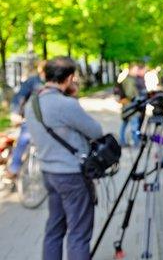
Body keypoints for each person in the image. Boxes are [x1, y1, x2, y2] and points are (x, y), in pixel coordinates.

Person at [24, 57, 103, 260]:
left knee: (54, 229)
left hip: (49, 173)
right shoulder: (66, 104)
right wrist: (73, 99)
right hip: (72, 175)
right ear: (69, 78)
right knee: (78, 233)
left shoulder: (32, 104)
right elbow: (96, 131)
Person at [6, 61, 45, 178]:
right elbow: (20, 97)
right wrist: (15, 113)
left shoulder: (52, 82)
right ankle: (14, 168)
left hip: (46, 120)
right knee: (24, 138)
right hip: (31, 119)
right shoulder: (33, 81)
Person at [118, 64, 146, 146]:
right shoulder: (130, 80)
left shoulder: (128, 79)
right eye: (135, 69)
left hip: (127, 105)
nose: (136, 71)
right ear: (131, 70)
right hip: (130, 105)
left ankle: (122, 140)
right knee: (134, 124)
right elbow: (129, 93)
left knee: (125, 123)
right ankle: (136, 142)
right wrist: (137, 98)